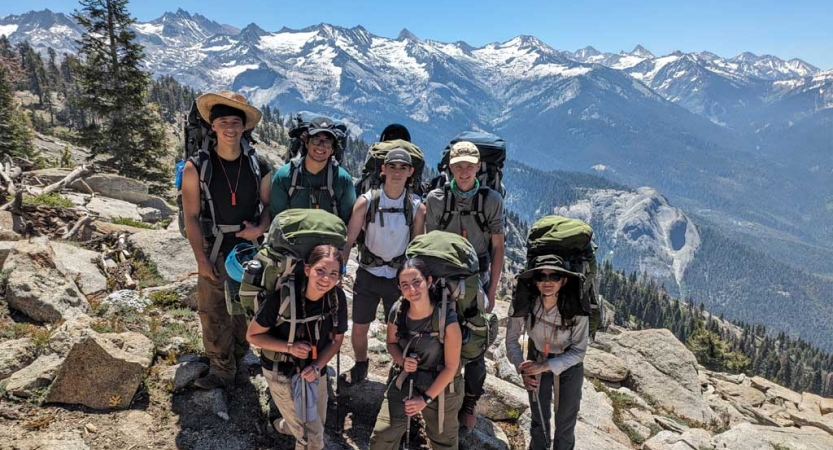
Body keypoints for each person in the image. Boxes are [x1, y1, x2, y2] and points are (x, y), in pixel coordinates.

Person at [181, 90, 272, 390]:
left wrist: (259, 230)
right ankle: (221, 368)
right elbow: (191, 216)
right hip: (214, 245)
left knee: (244, 306)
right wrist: (200, 259)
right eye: (223, 121)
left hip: (247, 249)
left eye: (236, 121)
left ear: (244, 126)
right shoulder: (197, 166)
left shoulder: (259, 164)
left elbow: (269, 208)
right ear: (213, 126)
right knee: (214, 309)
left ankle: (237, 356)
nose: (230, 128)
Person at [424, 140, 504, 428]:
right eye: (459, 165)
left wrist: (492, 289)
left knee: (475, 343)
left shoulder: (491, 200)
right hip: (442, 278)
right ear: (450, 167)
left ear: (479, 166)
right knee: (436, 335)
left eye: (470, 164)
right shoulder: (435, 199)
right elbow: (427, 244)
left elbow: (498, 246)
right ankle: (435, 395)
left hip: (476, 279)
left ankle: (469, 402)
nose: (465, 170)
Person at [247, 245, 348, 450]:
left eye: (333, 274)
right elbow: (253, 335)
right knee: (311, 437)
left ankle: (278, 425)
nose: (326, 279)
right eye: (320, 271)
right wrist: (290, 347)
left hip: (313, 370)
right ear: (308, 269)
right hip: (281, 371)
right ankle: (290, 427)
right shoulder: (282, 298)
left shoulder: (337, 298)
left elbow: (336, 340)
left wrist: (318, 366)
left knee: (316, 420)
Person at [341, 149, 426, 384]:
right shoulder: (366, 202)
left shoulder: (417, 208)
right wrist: (340, 269)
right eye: (392, 167)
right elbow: (349, 240)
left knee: (400, 330)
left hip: (398, 279)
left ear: (410, 172)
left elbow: (417, 248)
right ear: (383, 169)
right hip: (368, 274)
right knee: (359, 328)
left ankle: (398, 367)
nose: (397, 172)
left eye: (402, 168)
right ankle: (360, 363)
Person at [369, 258, 463, 450]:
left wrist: (425, 399)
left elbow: (452, 367)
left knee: (443, 442)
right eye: (405, 285)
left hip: (441, 383)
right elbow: (392, 342)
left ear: (429, 281)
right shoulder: (398, 311)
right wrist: (402, 360)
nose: (412, 289)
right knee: (383, 434)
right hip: (406, 377)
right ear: (399, 288)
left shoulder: (447, 320)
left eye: (416, 282)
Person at [505, 255, 589, 450]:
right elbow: (511, 340)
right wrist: (523, 369)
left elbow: (579, 351)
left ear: (564, 280)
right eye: (542, 276)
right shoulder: (524, 304)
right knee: (538, 420)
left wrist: (543, 366)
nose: (548, 282)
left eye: (554, 276)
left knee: (565, 425)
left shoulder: (575, 307)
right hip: (537, 358)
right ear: (535, 281)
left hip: (568, 364)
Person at [269, 116, 356, 224]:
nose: (321, 146)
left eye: (327, 142)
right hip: (292, 240)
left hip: (331, 240)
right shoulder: (284, 176)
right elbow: (276, 219)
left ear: (333, 149)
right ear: (306, 142)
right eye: (316, 140)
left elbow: (348, 221)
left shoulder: (343, 180)